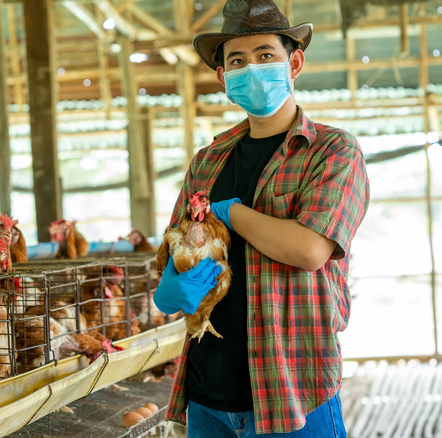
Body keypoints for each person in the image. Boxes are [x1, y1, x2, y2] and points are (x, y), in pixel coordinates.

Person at [152, 0, 370, 436]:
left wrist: (230, 212)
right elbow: (174, 249)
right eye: (237, 60)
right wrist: (169, 290)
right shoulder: (208, 160)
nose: (251, 67)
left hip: (293, 390)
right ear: (222, 76)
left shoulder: (332, 151)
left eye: (265, 55)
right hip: (207, 394)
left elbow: (309, 249)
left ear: (294, 63)